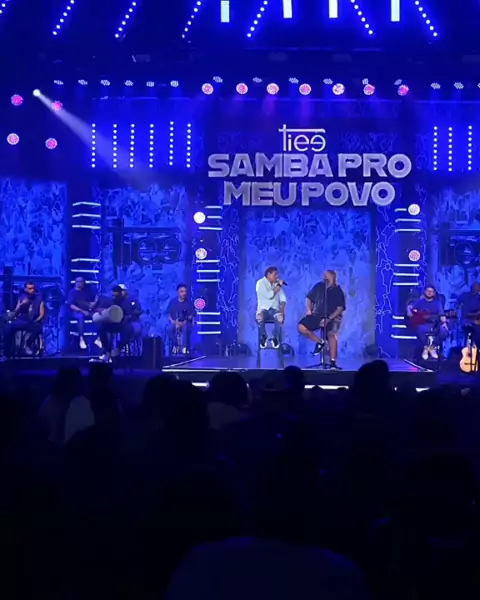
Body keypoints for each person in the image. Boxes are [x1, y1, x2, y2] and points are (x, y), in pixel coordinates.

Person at [298, 270, 346, 369]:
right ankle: (320, 342)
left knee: (331, 334)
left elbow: (340, 308)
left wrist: (328, 319)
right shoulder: (319, 286)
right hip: (316, 315)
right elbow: (309, 299)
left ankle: (333, 363)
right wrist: (309, 310)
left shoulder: (338, 290)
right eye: (325, 276)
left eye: (329, 277)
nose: (326, 278)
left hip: (332, 317)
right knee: (301, 327)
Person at [4, 281, 45, 356]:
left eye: (33, 288)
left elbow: (42, 315)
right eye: (30, 288)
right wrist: (21, 305)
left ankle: (26, 345)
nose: (32, 290)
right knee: (9, 327)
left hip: (32, 321)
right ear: (25, 289)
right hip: (21, 320)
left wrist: (36, 321)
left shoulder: (39, 298)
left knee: (37, 327)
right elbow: (15, 312)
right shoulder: (22, 297)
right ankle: (7, 352)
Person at [408, 284, 448, 360]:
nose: (429, 292)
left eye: (431, 291)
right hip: (423, 323)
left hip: (435, 324)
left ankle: (431, 347)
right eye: (428, 291)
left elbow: (442, 315)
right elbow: (410, 307)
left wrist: (444, 323)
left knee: (444, 331)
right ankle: (426, 347)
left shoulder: (437, 303)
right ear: (424, 292)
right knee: (421, 330)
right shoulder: (419, 302)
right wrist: (409, 312)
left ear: (434, 293)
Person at [93, 285, 132, 362]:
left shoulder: (126, 302)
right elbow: (98, 309)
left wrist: (125, 318)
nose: (114, 297)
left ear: (120, 294)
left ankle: (118, 349)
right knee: (101, 329)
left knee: (128, 330)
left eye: (116, 296)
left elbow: (129, 315)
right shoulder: (109, 301)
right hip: (111, 324)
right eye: (113, 295)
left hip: (121, 324)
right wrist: (102, 311)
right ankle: (107, 351)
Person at [255, 266, 286, 349]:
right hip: (263, 310)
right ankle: (263, 337)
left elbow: (283, 299)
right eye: (275, 274)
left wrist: (282, 310)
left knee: (280, 317)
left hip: (274, 311)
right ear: (269, 274)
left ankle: (275, 338)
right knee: (259, 317)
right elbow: (270, 295)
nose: (277, 276)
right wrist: (279, 285)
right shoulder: (260, 283)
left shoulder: (276, 285)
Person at [68, 277, 97, 350]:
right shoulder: (72, 292)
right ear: (76, 282)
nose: (82, 283)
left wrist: (93, 304)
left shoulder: (86, 292)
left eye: (83, 281)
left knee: (97, 317)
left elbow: (93, 300)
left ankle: (98, 339)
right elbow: (71, 305)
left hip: (87, 311)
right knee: (80, 317)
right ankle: (81, 339)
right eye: (80, 281)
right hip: (76, 311)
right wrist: (82, 311)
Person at [167, 284, 195, 354]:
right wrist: (173, 321)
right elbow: (168, 314)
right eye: (182, 292)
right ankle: (175, 345)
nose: (184, 293)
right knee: (169, 328)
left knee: (185, 328)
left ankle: (184, 348)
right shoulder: (172, 302)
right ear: (178, 292)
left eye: (185, 291)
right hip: (175, 322)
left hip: (186, 323)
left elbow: (192, 315)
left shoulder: (189, 303)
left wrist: (184, 322)